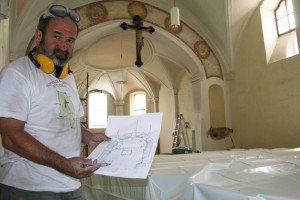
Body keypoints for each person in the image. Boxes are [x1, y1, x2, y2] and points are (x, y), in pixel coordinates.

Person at [0, 5, 111, 200]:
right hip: (30, 188)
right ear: (38, 36)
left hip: (71, 185)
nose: (63, 46)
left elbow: (71, 121)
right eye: (57, 37)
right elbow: (10, 136)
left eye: (70, 40)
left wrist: (88, 137)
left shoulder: (67, 76)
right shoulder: (17, 74)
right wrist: (63, 164)